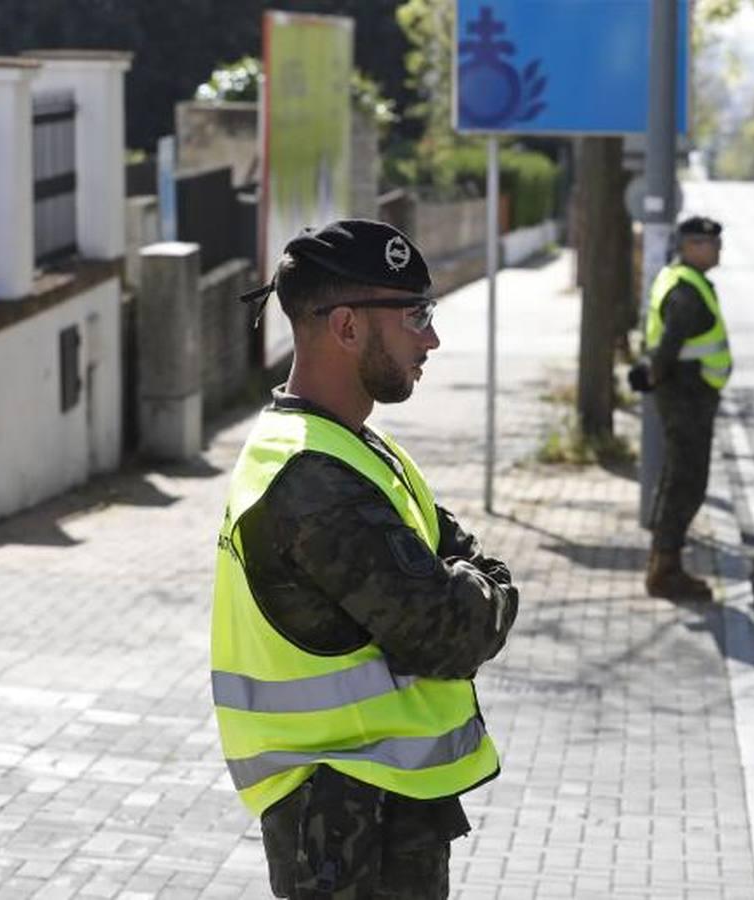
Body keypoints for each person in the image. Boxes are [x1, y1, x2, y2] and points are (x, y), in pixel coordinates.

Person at [211, 219, 520, 899]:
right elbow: (448, 632)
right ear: (346, 327)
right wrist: (489, 583)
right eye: (415, 315)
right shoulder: (312, 479)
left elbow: (458, 556)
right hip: (343, 830)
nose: (432, 337)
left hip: (375, 810)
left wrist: (471, 576)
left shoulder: (357, 450)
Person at [637, 215, 732, 600]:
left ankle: (662, 561)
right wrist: (654, 375)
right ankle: (666, 570)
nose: (718, 250)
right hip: (687, 396)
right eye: (712, 244)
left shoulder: (679, 278)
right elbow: (669, 345)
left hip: (687, 395)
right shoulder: (686, 291)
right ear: (691, 246)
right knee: (687, 483)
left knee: (678, 478)